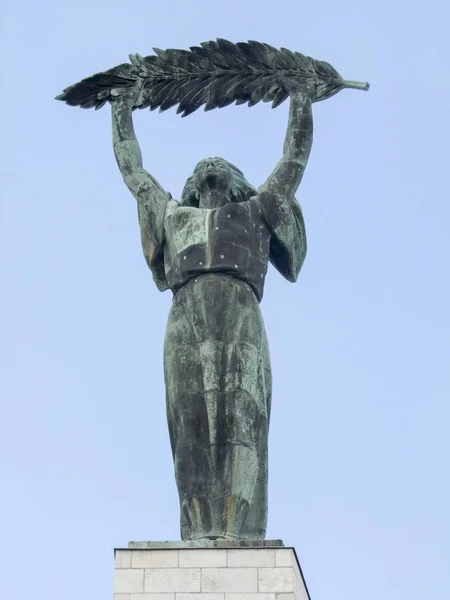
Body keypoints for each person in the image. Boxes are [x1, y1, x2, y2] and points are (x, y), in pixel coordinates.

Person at [111, 79, 313, 540]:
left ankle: (238, 529)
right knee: (190, 419)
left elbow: (293, 162)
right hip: (185, 314)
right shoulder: (173, 216)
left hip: (239, 310)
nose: (209, 164)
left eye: (220, 163)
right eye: (202, 164)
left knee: (239, 415)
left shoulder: (256, 210)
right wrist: (120, 110)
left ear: (235, 180)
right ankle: (198, 528)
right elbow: (133, 172)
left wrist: (300, 96)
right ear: (191, 184)